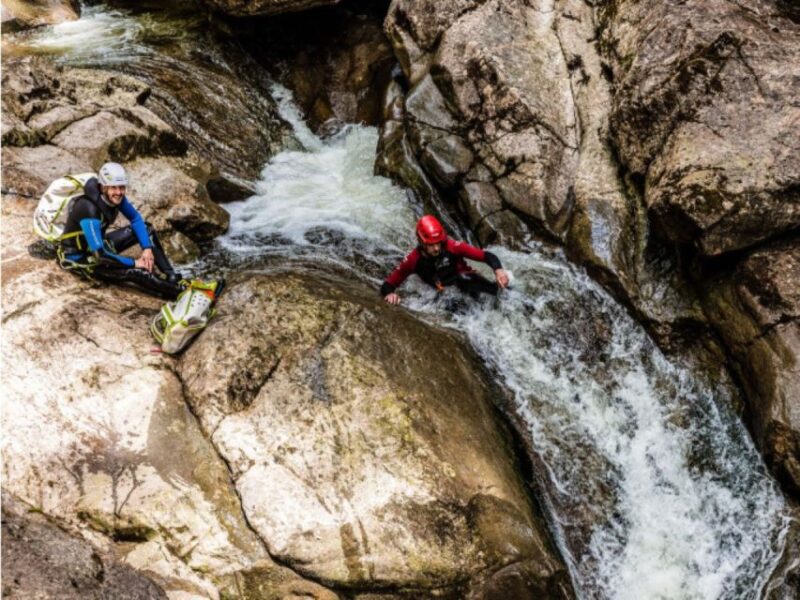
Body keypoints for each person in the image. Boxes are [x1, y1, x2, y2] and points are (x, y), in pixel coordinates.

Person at [58, 162, 186, 299]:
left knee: (147, 228)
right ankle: (178, 293)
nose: (119, 192)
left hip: (99, 246)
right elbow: (101, 256)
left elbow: (136, 219)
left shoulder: (115, 198)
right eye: (114, 188)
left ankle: (172, 276)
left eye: (121, 187)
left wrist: (147, 248)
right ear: (103, 187)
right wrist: (136, 263)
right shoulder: (89, 209)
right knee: (137, 273)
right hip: (82, 259)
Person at [380, 215, 509, 305]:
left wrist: (498, 270)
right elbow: (388, 284)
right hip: (446, 294)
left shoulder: (452, 246)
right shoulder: (413, 260)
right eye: (431, 244)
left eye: (438, 243)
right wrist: (390, 294)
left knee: (466, 281)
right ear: (421, 242)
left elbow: (487, 256)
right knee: (448, 298)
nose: (436, 248)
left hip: (468, 281)